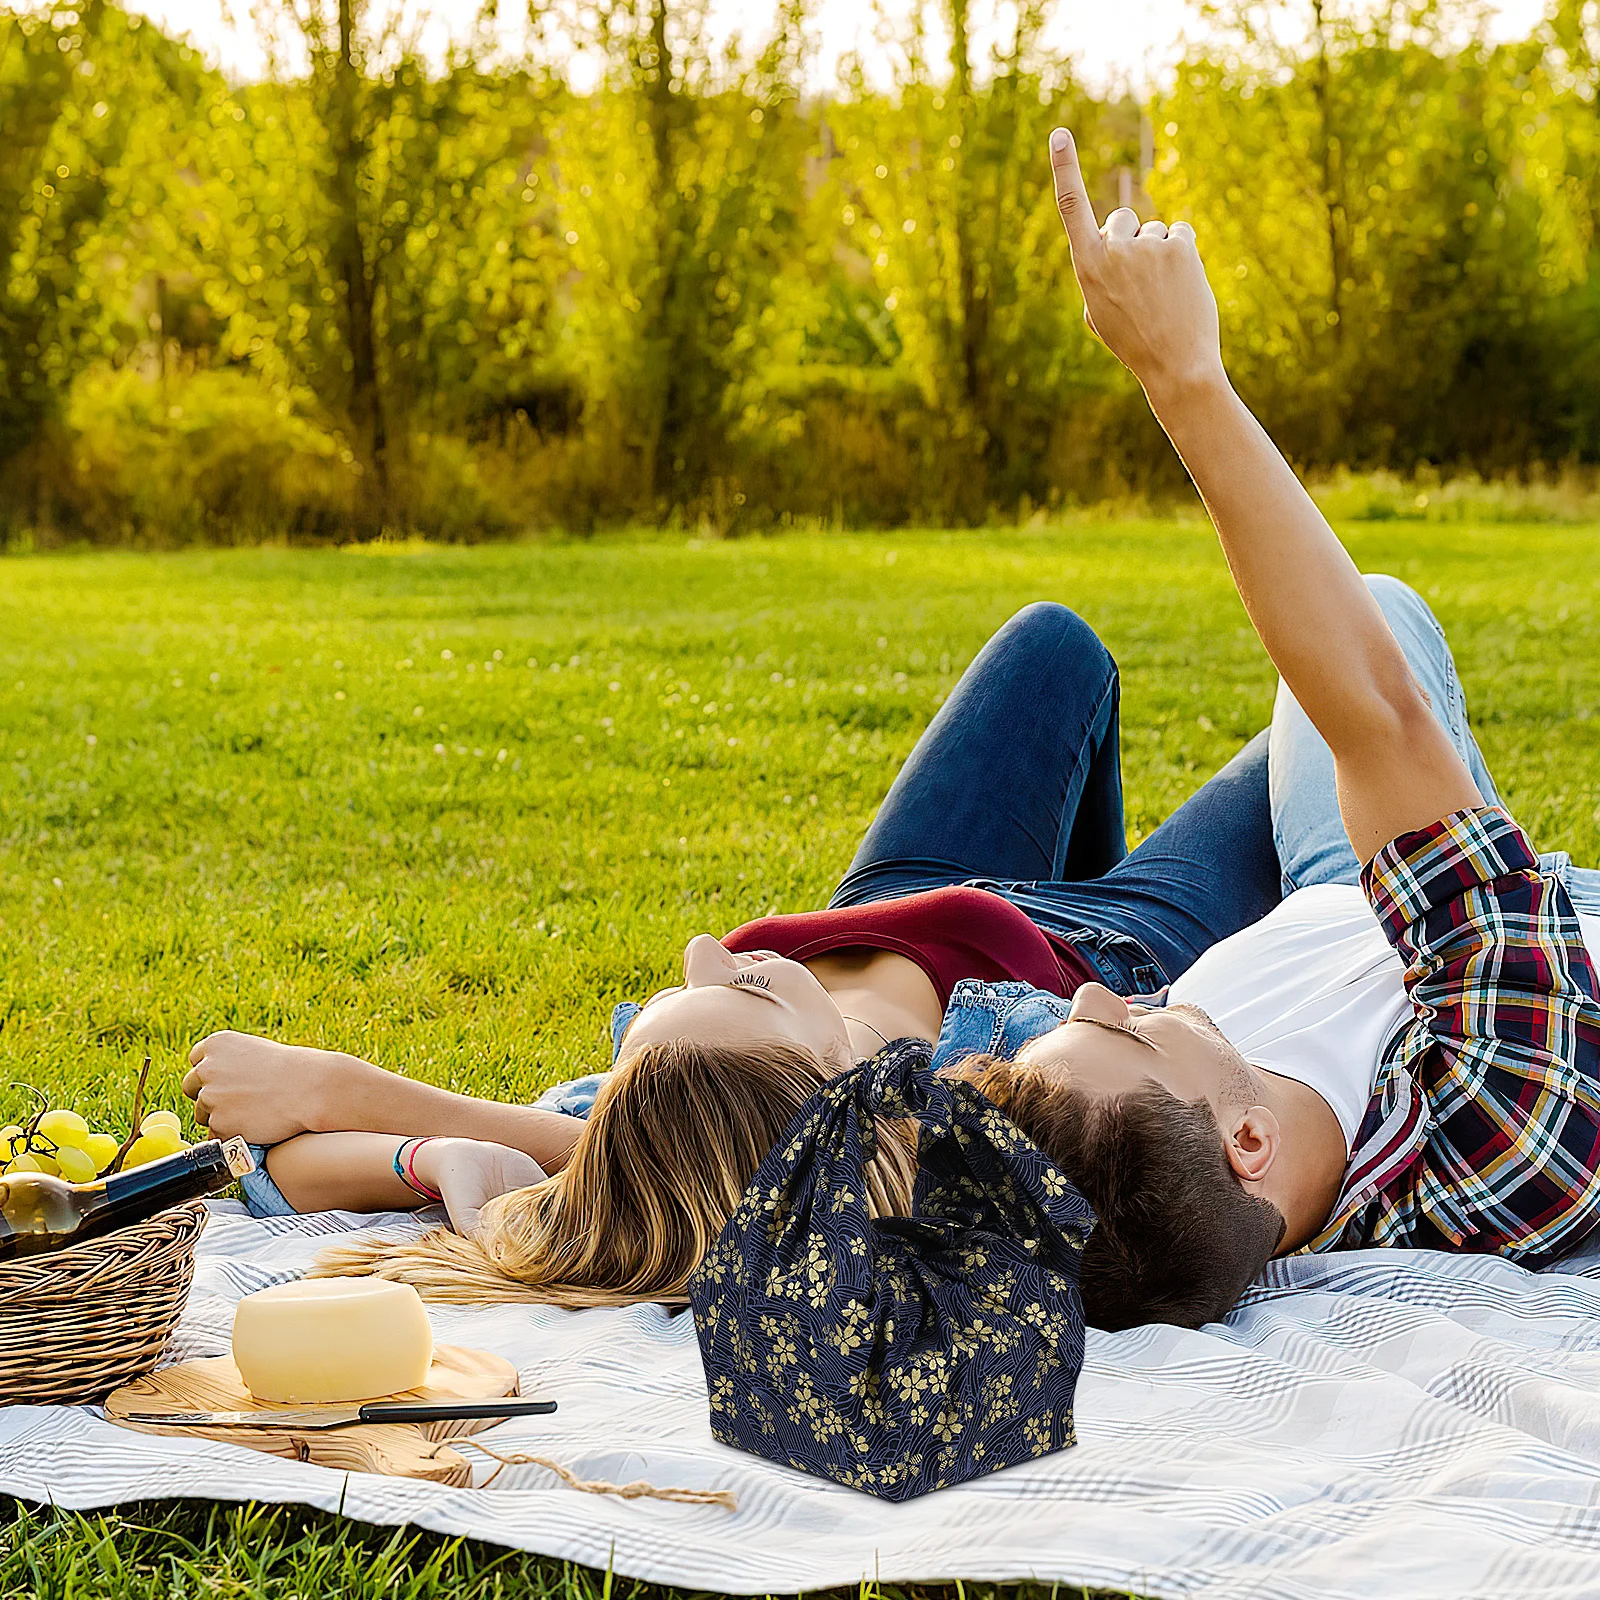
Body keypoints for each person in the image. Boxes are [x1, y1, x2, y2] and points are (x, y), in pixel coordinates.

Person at [183, 576, 1288, 1301]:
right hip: (1102, 958)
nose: (710, 946)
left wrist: (422, 1147)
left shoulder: (667, 1107)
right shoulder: (962, 1135)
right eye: (755, 990)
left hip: (899, 894)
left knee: (1056, 643)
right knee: (1311, 721)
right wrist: (359, 1083)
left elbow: (283, 1175)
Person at [937, 127, 1600, 1332]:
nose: (1086, 1004)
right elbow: (1381, 714)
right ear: (1248, 1142)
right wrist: (1180, 375)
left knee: (1377, 618)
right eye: (1124, 1036)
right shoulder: (1495, 1132)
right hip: (1505, 945)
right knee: (1374, 644)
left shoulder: (1161, 1134)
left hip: (1334, 897)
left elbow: (748, 1127)